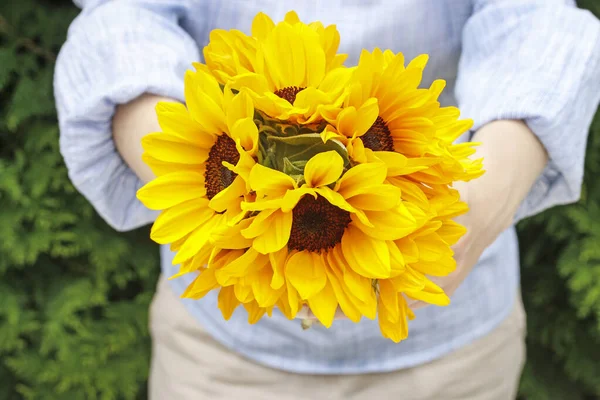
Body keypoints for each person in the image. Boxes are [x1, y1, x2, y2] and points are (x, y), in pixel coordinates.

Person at [53, 1, 600, 399]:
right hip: (223, 356)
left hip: (451, 345)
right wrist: (209, 185)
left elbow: (534, 20)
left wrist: (481, 204)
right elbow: (124, 17)